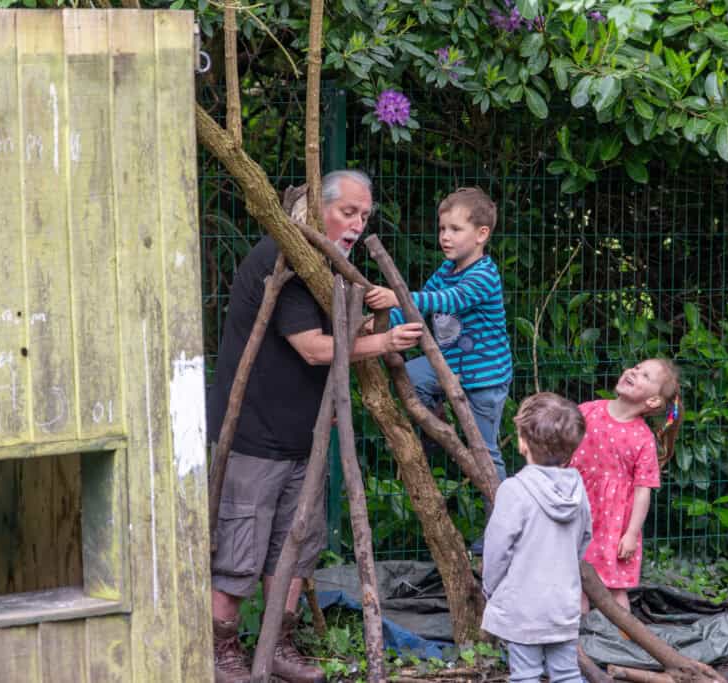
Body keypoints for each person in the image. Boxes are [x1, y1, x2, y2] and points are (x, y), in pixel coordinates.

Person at [205, 169, 423, 683]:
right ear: (316, 210)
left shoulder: (331, 268)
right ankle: (220, 654)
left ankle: (279, 646)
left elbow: (346, 329)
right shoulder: (282, 260)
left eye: (365, 216)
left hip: (305, 437)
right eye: (348, 212)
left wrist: (375, 317)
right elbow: (314, 347)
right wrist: (386, 344)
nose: (357, 223)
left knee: (295, 549)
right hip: (255, 437)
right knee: (239, 550)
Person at [364, 187, 512, 509]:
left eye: (456, 229)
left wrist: (398, 297)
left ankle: (499, 526)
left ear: (481, 234)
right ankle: (434, 428)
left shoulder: (485, 274)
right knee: (410, 376)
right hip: (449, 365)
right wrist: (385, 319)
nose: (445, 236)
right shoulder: (446, 270)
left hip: (484, 379)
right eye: (443, 228)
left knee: (485, 453)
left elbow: (447, 300)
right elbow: (418, 308)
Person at [481, 392, 591, 683]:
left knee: (526, 675)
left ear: (522, 442)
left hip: (523, 605)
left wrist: (492, 587)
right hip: (563, 602)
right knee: (567, 673)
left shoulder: (513, 490)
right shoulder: (577, 489)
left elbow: (497, 549)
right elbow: (584, 536)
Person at [570, 358, 683, 613]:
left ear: (653, 401)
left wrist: (631, 534)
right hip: (575, 511)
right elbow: (561, 450)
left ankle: (622, 644)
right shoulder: (587, 411)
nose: (634, 372)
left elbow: (643, 491)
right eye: (636, 368)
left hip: (612, 526)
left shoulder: (643, 438)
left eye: (645, 376)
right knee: (574, 581)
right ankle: (578, 644)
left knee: (614, 588)